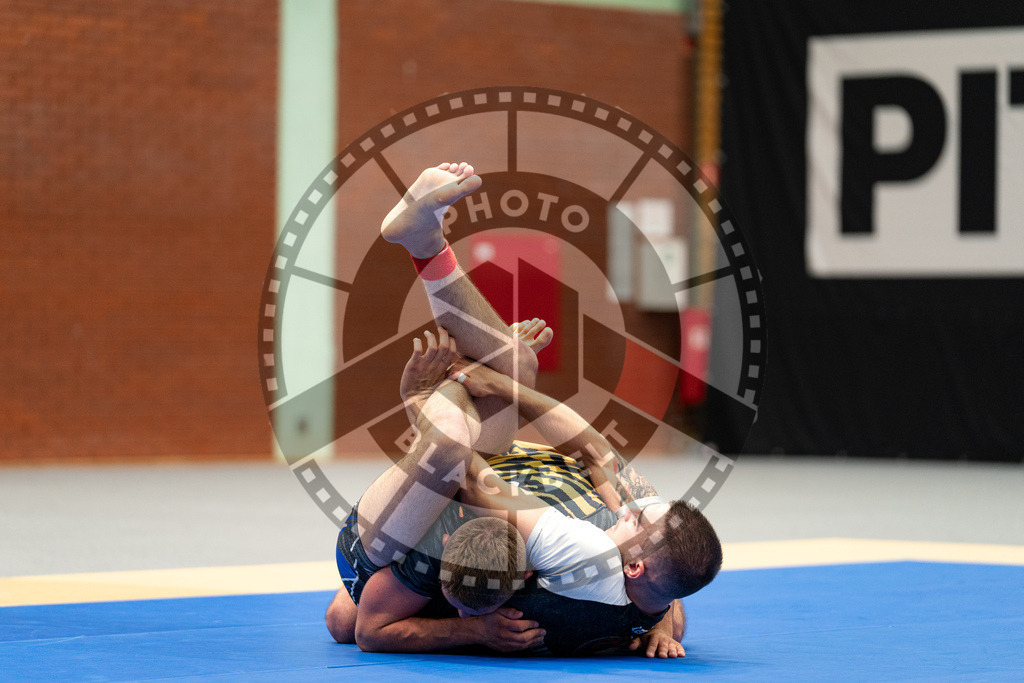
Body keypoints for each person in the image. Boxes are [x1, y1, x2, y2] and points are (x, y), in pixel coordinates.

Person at [326, 162, 704, 656]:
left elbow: (462, 476)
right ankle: (425, 244)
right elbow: (594, 451)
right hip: (487, 479)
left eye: (635, 520)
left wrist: (424, 401)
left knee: (446, 450)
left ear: (634, 566)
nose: (631, 509)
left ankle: (438, 289)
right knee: (514, 359)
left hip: (419, 523)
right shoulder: (631, 529)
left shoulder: (560, 549)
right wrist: (502, 381)